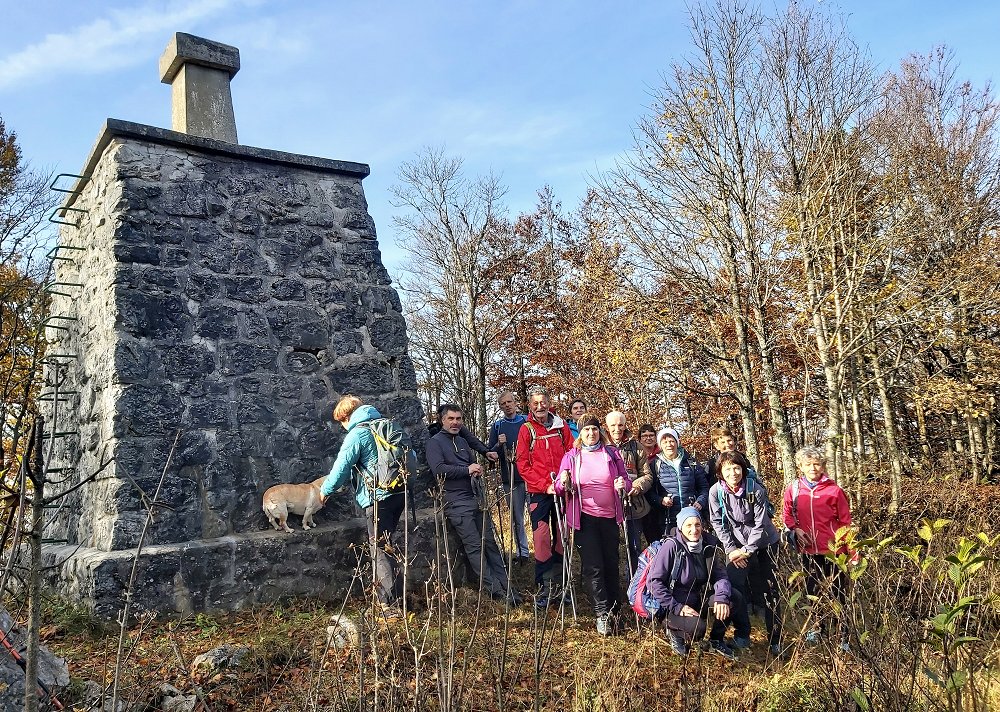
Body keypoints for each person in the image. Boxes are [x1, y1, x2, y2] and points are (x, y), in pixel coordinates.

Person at [426, 404, 519, 605]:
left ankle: (508, 586)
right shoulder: (435, 443)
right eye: (451, 418)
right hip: (456, 503)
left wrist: (476, 469)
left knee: (491, 544)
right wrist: (467, 470)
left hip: (476, 498)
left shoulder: (461, 440)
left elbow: (472, 458)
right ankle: (494, 590)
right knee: (475, 547)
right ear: (442, 420)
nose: (455, 422)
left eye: (458, 419)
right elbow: (439, 470)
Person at [320, 395, 405, 617]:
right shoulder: (385, 426)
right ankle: (397, 598)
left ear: (346, 416)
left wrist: (325, 490)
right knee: (387, 545)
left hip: (378, 497)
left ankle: (390, 607)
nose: (343, 426)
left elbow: (342, 467)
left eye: (342, 421)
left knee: (379, 549)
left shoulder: (358, 433)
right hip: (400, 492)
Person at [555, 415, 631, 635]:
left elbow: (625, 479)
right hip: (584, 518)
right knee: (593, 566)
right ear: (580, 433)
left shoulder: (612, 453)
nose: (591, 433)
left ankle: (615, 610)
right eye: (586, 430)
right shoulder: (572, 456)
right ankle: (602, 613)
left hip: (609, 517)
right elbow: (560, 487)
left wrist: (622, 484)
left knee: (611, 563)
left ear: (600, 432)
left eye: (594, 429)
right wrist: (564, 481)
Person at [708, 451, 782, 655]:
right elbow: (717, 523)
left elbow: (761, 523)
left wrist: (747, 551)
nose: (733, 473)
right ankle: (742, 633)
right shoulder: (716, 492)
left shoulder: (754, 490)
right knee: (733, 588)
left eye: (737, 468)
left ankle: (776, 638)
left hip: (765, 543)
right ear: (720, 472)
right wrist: (731, 549)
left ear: (743, 469)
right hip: (736, 548)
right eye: (728, 469)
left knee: (771, 591)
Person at [782, 446, 852, 649]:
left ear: (823, 466)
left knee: (839, 593)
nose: (813, 468)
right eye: (808, 464)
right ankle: (817, 629)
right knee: (812, 592)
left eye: (817, 464)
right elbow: (786, 514)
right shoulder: (794, 489)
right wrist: (795, 529)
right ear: (801, 467)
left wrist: (850, 550)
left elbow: (845, 521)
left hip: (833, 551)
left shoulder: (835, 490)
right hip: (808, 550)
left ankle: (843, 636)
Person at [647, 507, 739, 658]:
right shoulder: (671, 546)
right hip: (673, 606)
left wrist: (721, 598)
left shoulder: (709, 543)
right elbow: (654, 582)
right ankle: (673, 631)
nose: (694, 530)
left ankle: (716, 639)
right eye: (688, 525)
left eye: (697, 525)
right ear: (681, 527)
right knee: (698, 629)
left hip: (698, 600)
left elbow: (721, 576)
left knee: (733, 597)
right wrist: (676, 607)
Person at [516, 387, 575, 604]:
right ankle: (545, 587)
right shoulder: (526, 429)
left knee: (562, 536)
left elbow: (571, 454)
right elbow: (522, 464)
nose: (540, 406)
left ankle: (562, 585)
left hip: (562, 490)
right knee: (541, 538)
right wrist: (544, 485)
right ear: (530, 406)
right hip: (539, 493)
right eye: (535, 403)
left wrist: (564, 479)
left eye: (543, 402)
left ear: (549, 403)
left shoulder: (561, 427)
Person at [604, 411, 653, 565]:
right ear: (607, 426)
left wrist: (637, 486)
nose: (617, 429)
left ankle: (633, 582)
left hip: (633, 505)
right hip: (607, 505)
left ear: (625, 425)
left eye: (620, 425)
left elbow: (647, 474)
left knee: (633, 546)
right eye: (613, 425)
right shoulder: (600, 446)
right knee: (609, 547)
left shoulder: (636, 446)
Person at [645, 427, 709, 544]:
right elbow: (649, 492)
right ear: (660, 445)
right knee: (673, 553)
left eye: (671, 441)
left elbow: (704, 487)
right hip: (668, 519)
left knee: (694, 552)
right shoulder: (655, 465)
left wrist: (700, 501)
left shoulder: (691, 462)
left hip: (691, 516)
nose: (669, 444)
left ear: (677, 442)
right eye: (664, 442)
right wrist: (660, 500)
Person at [487, 391, 530, 560]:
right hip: (510, 478)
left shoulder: (526, 421)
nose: (507, 405)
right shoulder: (497, 426)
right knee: (516, 518)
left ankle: (543, 551)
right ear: (500, 406)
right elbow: (489, 453)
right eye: (503, 403)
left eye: (509, 401)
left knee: (537, 517)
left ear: (515, 402)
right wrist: (499, 443)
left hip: (531, 477)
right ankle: (522, 553)